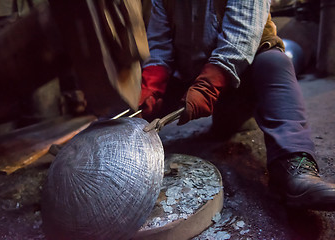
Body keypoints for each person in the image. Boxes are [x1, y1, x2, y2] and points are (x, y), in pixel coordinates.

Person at [139, 0, 335, 210]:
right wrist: (152, 84)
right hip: (192, 79)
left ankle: (292, 164)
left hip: (240, 77)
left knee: (274, 63)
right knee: (138, 108)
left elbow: (241, 35)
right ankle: (123, 149)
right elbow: (159, 47)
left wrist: (209, 84)